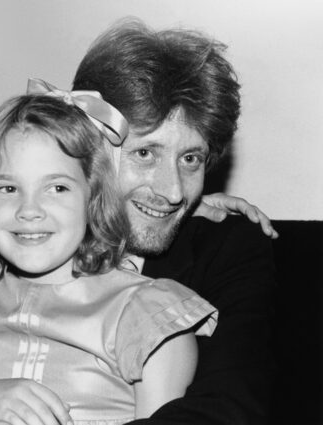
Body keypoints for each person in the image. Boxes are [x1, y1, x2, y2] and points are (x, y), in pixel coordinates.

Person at [0, 92, 219, 425]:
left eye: (58, 188)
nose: (29, 210)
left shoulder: (148, 315)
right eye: (7, 188)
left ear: (93, 197)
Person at [71, 19, 277, 424]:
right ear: (88, 148)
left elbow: (229, 409)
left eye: (190, 159)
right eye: (145, 153)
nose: (174, 192)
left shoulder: (229, 249)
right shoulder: (34, 231)